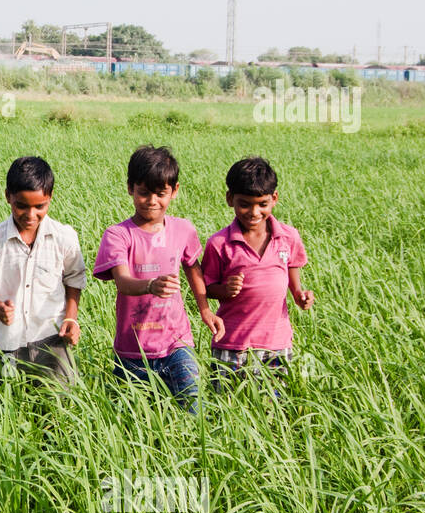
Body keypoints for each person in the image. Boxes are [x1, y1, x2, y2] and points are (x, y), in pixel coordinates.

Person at [92, 145, 223, 412]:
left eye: (161, 193)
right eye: (144, 192)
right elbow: (123, 282)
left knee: (192, 411)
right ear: (130, 188)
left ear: (174, 191)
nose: (152, 200)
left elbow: (193, 269)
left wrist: (205, 310)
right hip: (132, 350)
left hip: (177, 343)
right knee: (130, 421)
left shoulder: (183, 230)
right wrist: (151, 285)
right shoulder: (118, 235)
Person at [0, 156, 86, 384]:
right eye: (21, 205)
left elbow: (74, 278)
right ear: (8, 197)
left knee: (58, 405)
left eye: (39, 206)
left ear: (50, 199)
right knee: (6, 404)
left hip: (53, 340)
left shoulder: (64, 237)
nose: (30, 215)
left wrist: (71, 319)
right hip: (8, 342)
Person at [202, 157, 313, 384]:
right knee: (228, 405)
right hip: (232, 343)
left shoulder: (288, 237)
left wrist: (299, 294)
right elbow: (207, 288)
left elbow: (291, 267)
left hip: (276, 342)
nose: (254, 212)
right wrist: (226, 289)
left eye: (262, 204)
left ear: (274, 199)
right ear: (230, 199)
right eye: (245, 204)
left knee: (274, 407)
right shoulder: (219, 243)